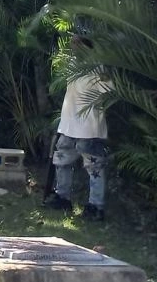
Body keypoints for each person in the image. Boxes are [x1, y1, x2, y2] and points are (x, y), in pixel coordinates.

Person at [44, 36, 111, 221]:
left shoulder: (98, 67)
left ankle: (96, 207)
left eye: (78, 44)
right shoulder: (73, 64)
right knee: (62, 161)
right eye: (73, 44)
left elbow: (109, 91)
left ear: (87, 47)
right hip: (68, 125)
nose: (73, 47)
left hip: (89, 128)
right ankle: (63, 197)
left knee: (94, 167)